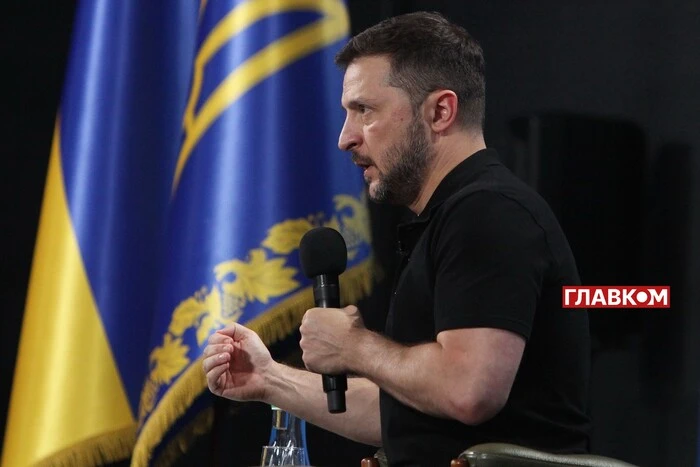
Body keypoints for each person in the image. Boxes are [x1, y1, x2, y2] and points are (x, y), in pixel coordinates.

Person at [203, 11, 591, 467]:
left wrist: (353, 346)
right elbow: (404, 417)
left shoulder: (489, 212)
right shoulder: (450, 218)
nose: (345, 138)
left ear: (440, 112)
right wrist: (270, 380)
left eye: (364, 110)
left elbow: (468, 390)